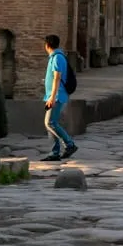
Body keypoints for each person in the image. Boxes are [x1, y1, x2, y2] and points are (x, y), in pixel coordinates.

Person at [42, 34, 78, 162]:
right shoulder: (53, 57)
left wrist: (52, 97)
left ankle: (69, 144)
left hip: (56, 96)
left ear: (47, 45)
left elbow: (57, 78)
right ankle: (54, 152)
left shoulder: (57, 58)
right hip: (51, 96)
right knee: (51, 124)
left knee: (50, 122)